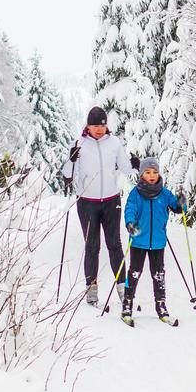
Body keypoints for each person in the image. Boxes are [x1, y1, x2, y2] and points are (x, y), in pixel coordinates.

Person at [61, 106, 139, 305]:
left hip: (111, 201)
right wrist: (71, 159)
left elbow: (125, 167)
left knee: (114, 245)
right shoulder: (79, 143)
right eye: (95, 125)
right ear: (88, 125)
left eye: (102, 125)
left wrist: (135, 163)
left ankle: (123, 289)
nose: (99, 129)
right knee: (92, 246)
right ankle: (91, 289)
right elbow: (67, 174)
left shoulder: (114, 142)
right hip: (87, 203)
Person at [120, 157, 186, 326]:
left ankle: (161, 306)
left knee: (158, 275)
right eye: (148, 172)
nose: (152, 175)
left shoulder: (164, 193)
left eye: (155, 172)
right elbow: (130, 210)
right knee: (134, 273)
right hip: (138, 241)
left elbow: (176, 207)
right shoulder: (136, 194)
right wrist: (130, 223)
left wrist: (180, 204)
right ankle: (127, 305)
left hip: (157, 242)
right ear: (142, 175)